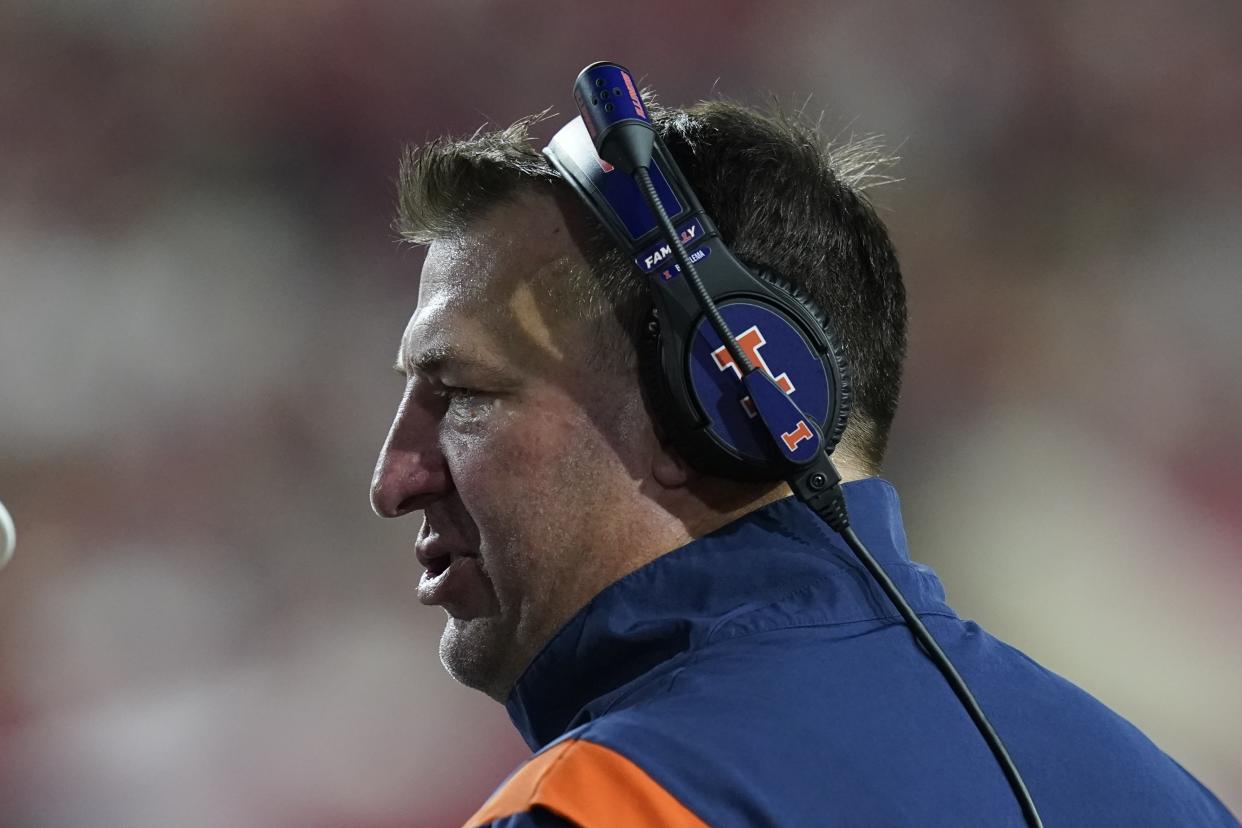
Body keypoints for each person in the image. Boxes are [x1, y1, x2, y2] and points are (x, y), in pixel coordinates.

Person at [369, 99, 1239, 827]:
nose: (393, 480)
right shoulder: (1169, 797)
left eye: (463, 395)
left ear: (714, 398)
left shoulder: (601, 805)